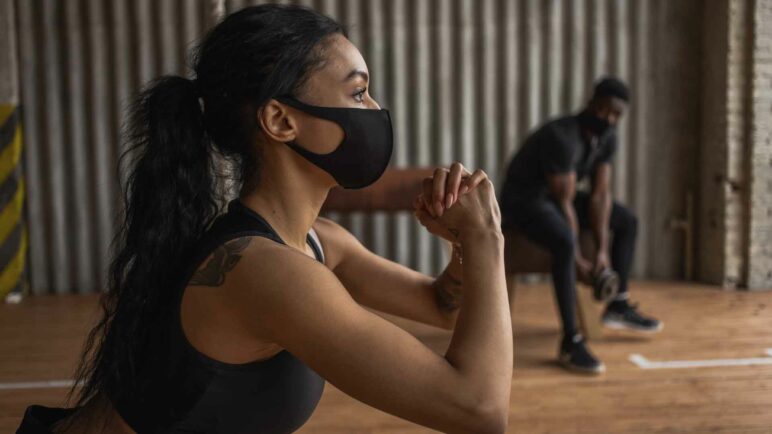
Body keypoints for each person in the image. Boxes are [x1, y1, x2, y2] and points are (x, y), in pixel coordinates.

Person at [16, 5, 513, 434]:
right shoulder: (263, 272)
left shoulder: (317, 242)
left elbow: (442, 305)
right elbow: (478, 410)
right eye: (358, 93)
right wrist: (487, 235)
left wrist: (463, 249)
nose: (377, 111)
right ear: (280, 120)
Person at [498, 77, 662, 375]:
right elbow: (565, 203)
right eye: (604, 111)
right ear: (591, 103)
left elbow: (600, 195)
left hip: (557, 198)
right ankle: (570, 341)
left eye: (616, 115)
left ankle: (618, 304)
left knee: (627, 221)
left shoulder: (608, 137)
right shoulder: (562, 137)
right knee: (563, 240)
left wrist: (602, 253)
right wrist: (577, 259)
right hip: (523, 200)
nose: (609, 119)